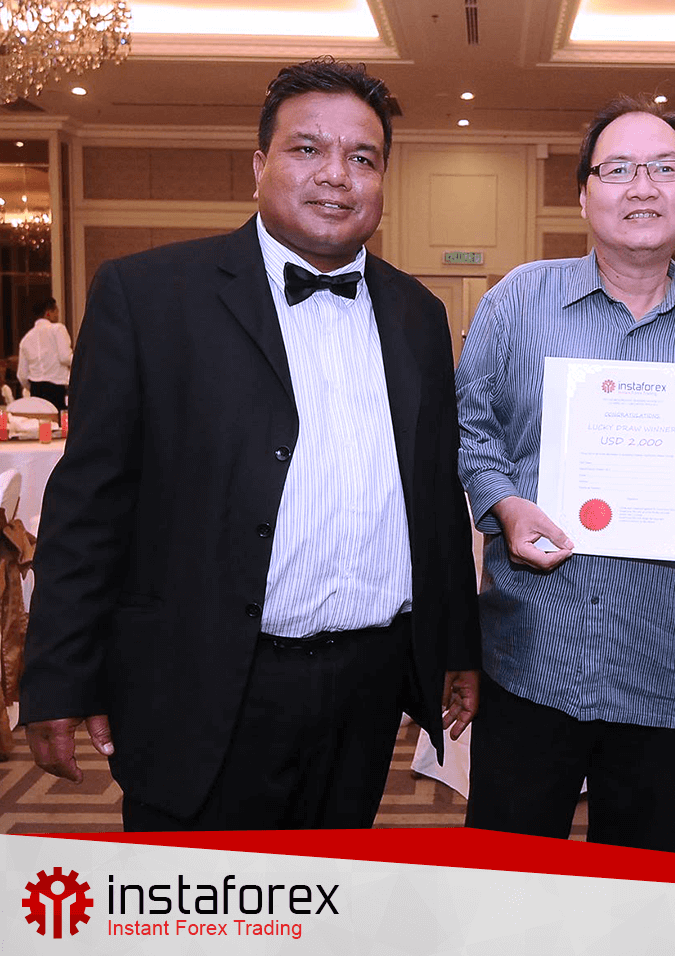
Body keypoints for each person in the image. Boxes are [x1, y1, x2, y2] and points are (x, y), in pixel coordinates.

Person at [20, 58, 480, 831]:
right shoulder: (150, 296)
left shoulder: (417, 315)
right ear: (259, 166)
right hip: (203, 682)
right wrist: (60, 674)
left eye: (362, 158)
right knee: (198, 895)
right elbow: (90, 505)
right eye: (307, 149)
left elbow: (434, 498)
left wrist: (455, 643)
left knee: (327, 893)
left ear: (382, 181)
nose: (336, 175)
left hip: (367, 688)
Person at [457, 97, 675, 853]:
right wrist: (504, 503)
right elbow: (468, 429)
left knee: (642, 894)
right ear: (584, 193)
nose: (642, 187)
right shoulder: (517, 301)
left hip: (663, 665)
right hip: (534, 655)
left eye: (664, 168)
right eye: (618, 169)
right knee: (504, 883)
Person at [16, 297, 72, 410]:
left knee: (40, 419)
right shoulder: (57, 329)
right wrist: (83, 360)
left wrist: (32, 387)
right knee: (58, 419)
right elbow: (65, 357)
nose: (57, 315)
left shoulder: (26, 339)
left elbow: (22, 375)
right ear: (48, 313)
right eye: (56, 311)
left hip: (35, 390)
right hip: (56, 388)